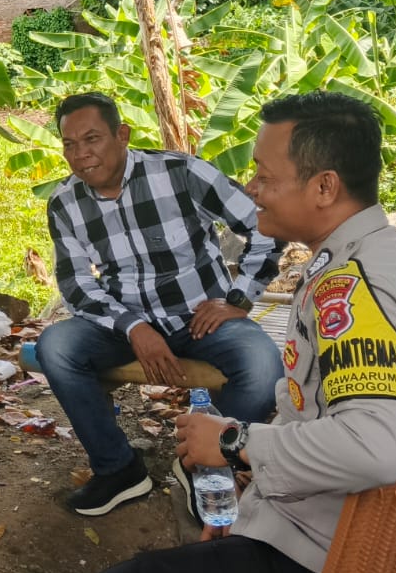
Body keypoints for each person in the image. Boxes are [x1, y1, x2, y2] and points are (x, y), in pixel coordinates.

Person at [75, 91, 396, 573]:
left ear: (324, 187)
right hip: (344, 531)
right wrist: (256, 502)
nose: (251, 188)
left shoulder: (355, 288)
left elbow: (373, 449)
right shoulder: (380, 257)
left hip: (337, 560)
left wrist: (234, 441)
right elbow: (326, 420)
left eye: (265, 175)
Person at [36, 91, 285, 516]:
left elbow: (266, 225)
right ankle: (119, 470)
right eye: (69, 144)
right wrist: (134, 328)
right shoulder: (65, 202)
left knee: (263, 367)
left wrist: (239, 298)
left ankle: (202, 463)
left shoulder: (181, 173)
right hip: (122, 323)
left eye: (92, 139)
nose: (80, 155)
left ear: (122, 135)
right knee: (55, 347)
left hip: (202, 318)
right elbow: (76, 285)